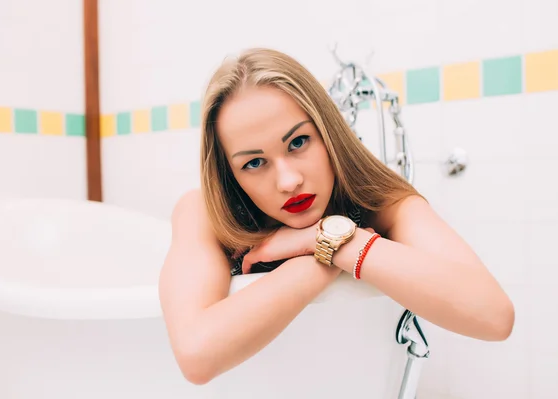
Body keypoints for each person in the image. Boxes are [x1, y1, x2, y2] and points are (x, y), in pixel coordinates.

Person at [158, 47, 514, 385]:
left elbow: (494, 316)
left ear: (328, 132)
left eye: (298, 143)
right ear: (229, 174)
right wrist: (318, 260)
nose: (288, 181)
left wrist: (332, 240)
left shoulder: (380, 202)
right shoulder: (204, 213)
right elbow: (196, 356)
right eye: (254, 163)